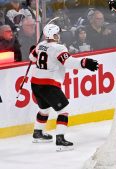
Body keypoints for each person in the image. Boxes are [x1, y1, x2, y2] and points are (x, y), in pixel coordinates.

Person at [29, 23, 99, 151]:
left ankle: (37, 133)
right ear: (54, 35)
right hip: (48, 84)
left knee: (44, 108)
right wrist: (84, 63)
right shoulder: (59, 48)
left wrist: (35, 49)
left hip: (35, 83)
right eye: (57, 33)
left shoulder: (40, 45)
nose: (59, 36)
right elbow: (68, 62)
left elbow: (31, 57)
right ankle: (60, 140)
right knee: (64, 110)